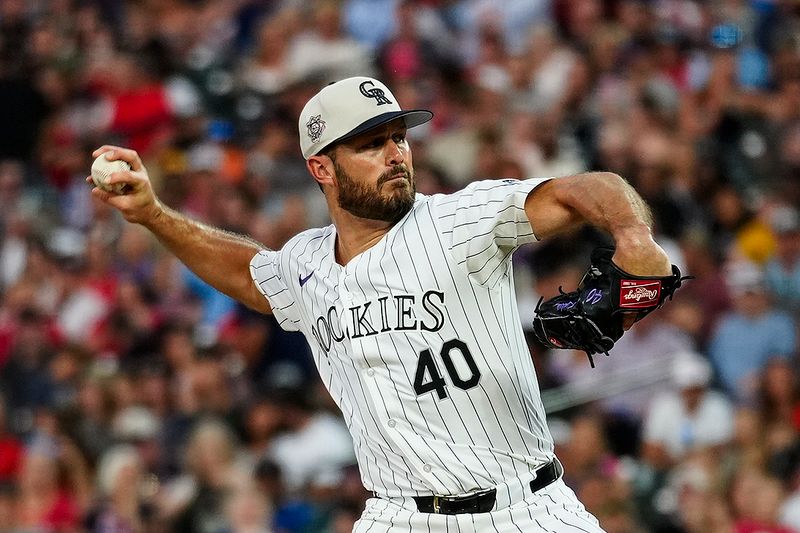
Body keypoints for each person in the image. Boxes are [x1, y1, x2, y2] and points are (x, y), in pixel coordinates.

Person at [88, 76, 673, 532]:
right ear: (322, 168)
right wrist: (153, 215)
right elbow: (250, 275)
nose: (396, 153)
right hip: (399, 515)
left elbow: (582, 190)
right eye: (372, 144)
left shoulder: (457, 220)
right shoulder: (307, 263)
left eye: (399, 137)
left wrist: (634, 236)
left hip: (527, 508)